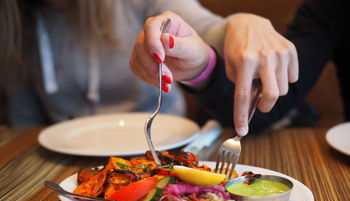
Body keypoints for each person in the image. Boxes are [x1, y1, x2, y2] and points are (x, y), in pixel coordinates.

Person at [131, 0, 349, 135]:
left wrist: (243, 22)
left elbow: (207, 27)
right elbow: (271, 105)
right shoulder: (331, 7)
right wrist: (202, 69)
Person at [0, 0, 227, 126]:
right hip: (68, 158)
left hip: (163, 145)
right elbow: (26, 121)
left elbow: (207, 28)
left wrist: (238, 25)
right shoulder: (13, 24)